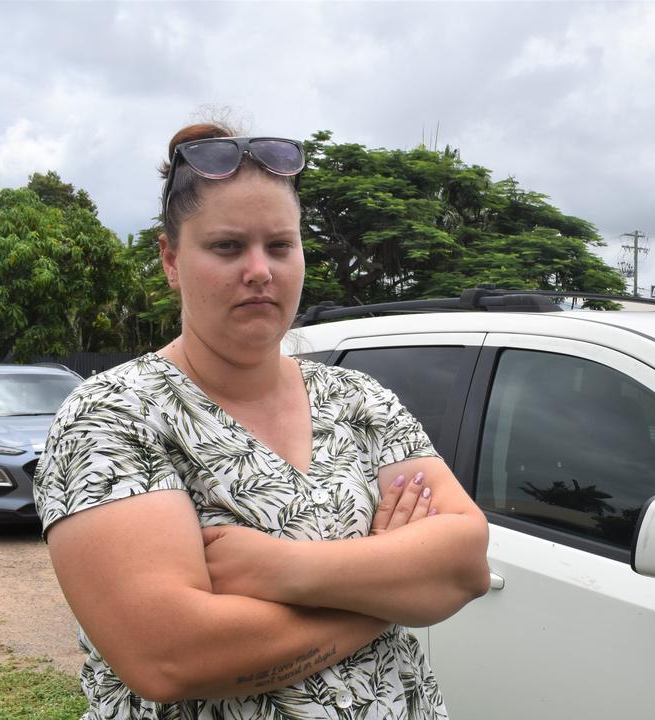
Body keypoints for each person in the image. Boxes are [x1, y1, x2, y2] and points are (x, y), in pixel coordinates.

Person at [34, 122, 491, 719]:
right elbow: (170, 656)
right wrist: (390, 591)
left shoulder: (357, 399)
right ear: (171, 260)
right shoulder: (115, 417)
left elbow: (466, 562)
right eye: (227, 247)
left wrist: (286, 568)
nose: (260, 270)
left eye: (279, 245)